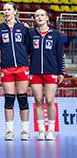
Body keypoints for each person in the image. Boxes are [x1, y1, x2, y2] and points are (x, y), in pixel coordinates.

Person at [0, 2, 31, 141]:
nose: (6, 12)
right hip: (6, 67)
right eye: (4, 10)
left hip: (22, 66)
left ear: (15, 11)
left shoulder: (23, 28)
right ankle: (9, 131)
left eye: (9, 9)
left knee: (22, 99)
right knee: (9, 100)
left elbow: (29, 47)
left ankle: (25, 131)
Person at [28, 9, 65, 141]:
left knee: (49, 100)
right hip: (35, 72)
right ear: (34, 19)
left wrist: (61, 72)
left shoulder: (55, 35)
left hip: (51, 71)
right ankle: (41, 130)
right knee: (38, 101)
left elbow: (60, 54)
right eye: (37, 15)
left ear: (47, 18)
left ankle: (51, 129)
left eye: (42, 15)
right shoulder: (31, 34)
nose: (39, 17)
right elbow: (26, 52)